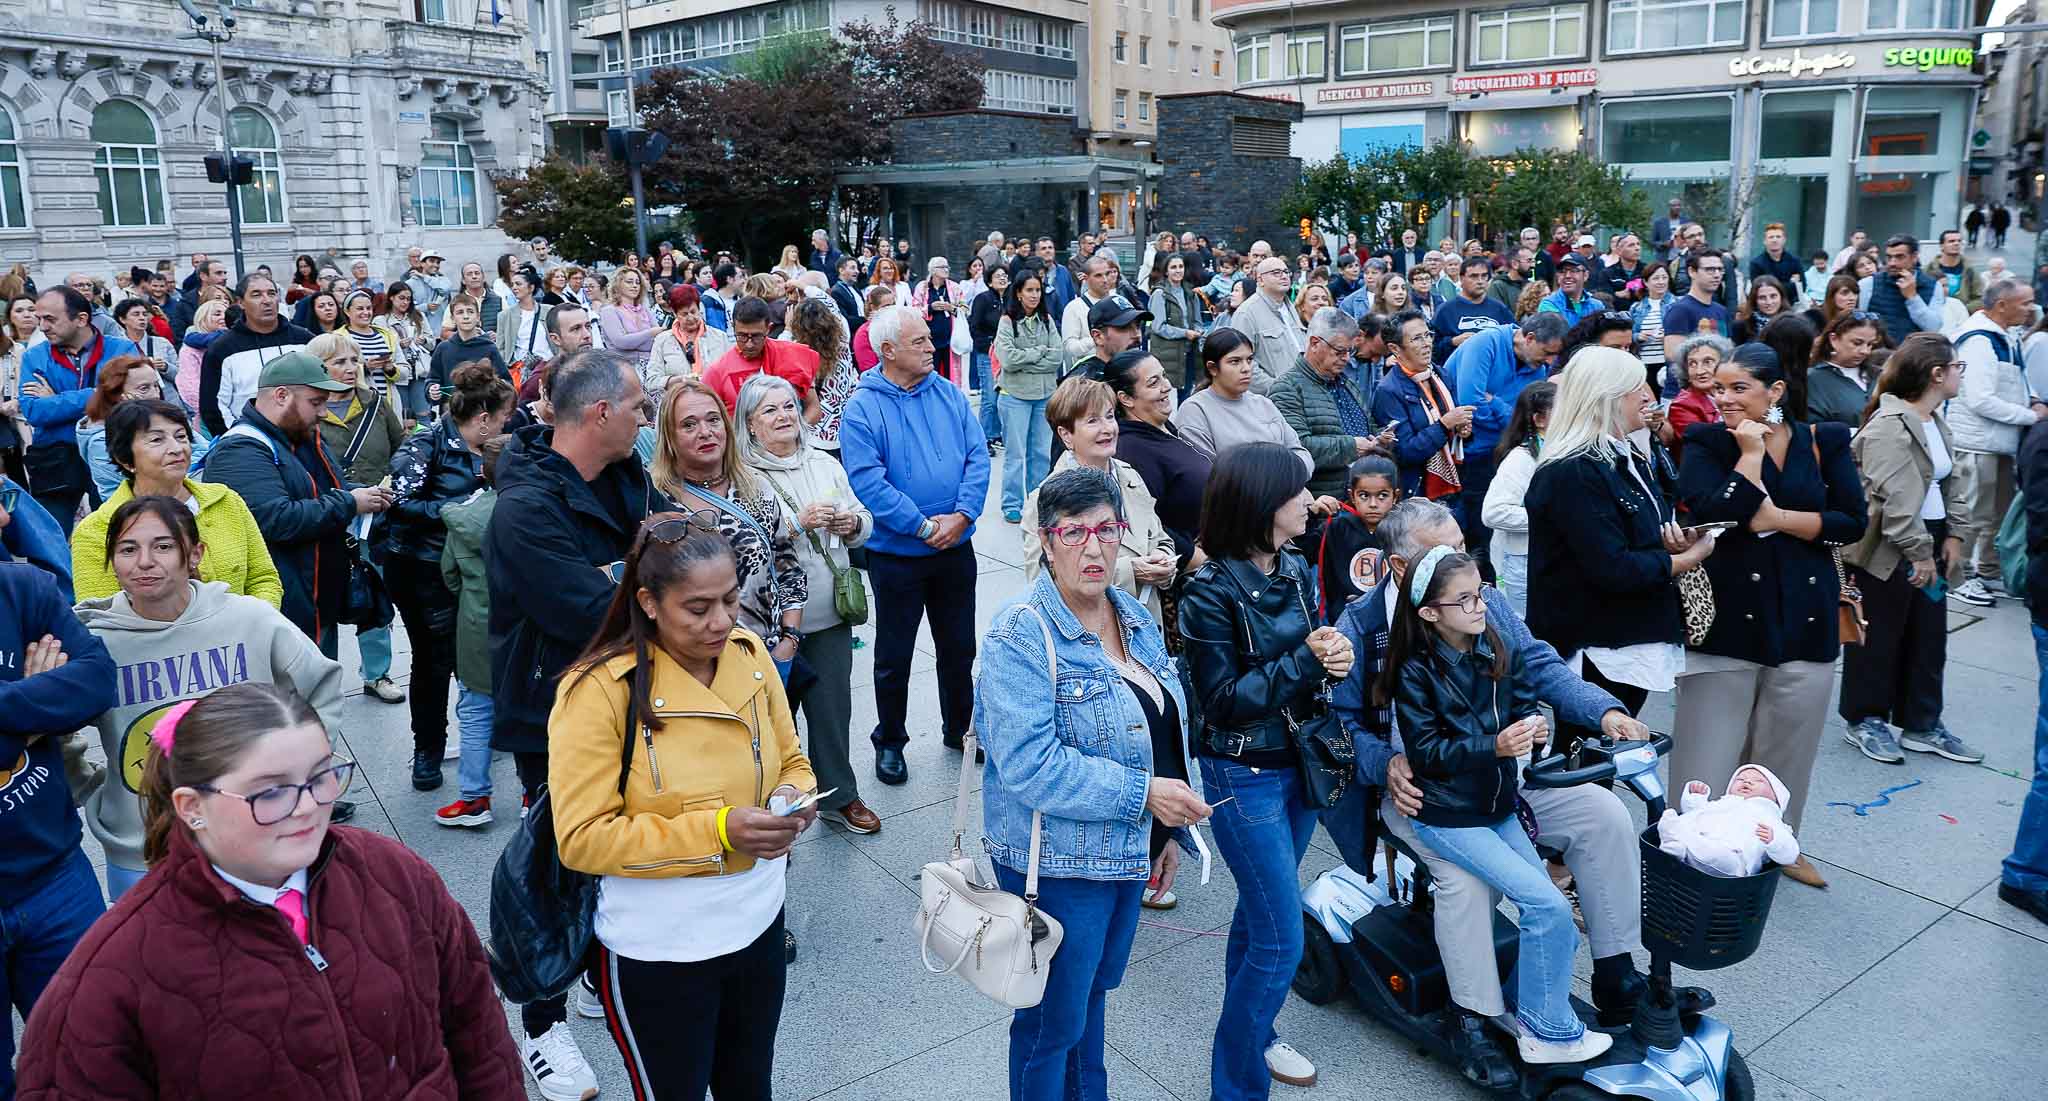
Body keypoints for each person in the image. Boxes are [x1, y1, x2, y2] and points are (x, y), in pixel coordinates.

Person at [18, 680, 525, 1097]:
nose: (307, 807)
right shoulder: (115, 969)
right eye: (272, 791)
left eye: (321, 776)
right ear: (192, 806)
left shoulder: (394, 873)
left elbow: (478, 1032)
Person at [545, 512, 814, 1101]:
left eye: (731, 600)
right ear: (647, 602)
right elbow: (583, 838)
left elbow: (792, 757)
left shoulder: (749, 653)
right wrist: (719, 830)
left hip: (758, 924)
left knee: (751, 1087)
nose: (721, 621)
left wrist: (794, 799)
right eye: (698, 608)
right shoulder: (598, 691)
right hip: (659, 948)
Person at [978, 467, 1208, 1099]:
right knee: (1051, 1023)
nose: (1094, 547)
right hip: (1057, 863)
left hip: (1127, 851)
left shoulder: (1131, 612)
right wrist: (1145, 797)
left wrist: (1165, 836)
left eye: (1107, 530)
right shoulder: (1019, 633)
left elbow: (1161, 728)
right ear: (1046, 543)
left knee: (1090, 1003)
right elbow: (1029, 765)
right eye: (1073, 532)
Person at [487, 349, 651, 1093]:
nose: (648, 415)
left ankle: (596, 967)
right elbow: (583, 608)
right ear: (599, 413)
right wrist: (638, 571)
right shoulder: (524, 506)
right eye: (640, 405)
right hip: (550, 709)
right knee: (553, 868)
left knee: (613, 848)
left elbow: (646, 574)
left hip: (627, 691)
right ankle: (542, 1023)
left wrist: (630, 572)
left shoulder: (625, 477)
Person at [1378, 544, 1612, 1064]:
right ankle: (1545, 1030)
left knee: (1545, 912)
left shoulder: (1496, 645)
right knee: (1547, 905)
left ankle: (1531, 1013)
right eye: (1465, 599)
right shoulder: (1415, 671)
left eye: (1481, 592)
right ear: (1429, 614)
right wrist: (1496, 746)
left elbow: (1526, 697)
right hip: (1448, 816)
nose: (1481, 605)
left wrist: (1536, 728)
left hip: (1497, 806)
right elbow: (1427, 753)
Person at [1178, 442, 1355, 1098]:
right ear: (1260, 503)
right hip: (1242, 772)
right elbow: (1221, 703)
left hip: (1299, 761)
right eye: (1297, 492)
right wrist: (1309, 661)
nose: (1309, 502)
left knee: (1260, 919)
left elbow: (1306, 653)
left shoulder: (1292, 566)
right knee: (1282, 939)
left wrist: (1331, 654)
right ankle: (1239, 1081)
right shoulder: (1208, 591)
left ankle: (1257, 1034)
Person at [75, 495, 344, 897]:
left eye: (163, 546)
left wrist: (300, 774)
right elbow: (51, 724)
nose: (144, 561)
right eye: (127, 549)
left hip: (258, 829)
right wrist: (92, 787)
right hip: (142, 850)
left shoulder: (249, 618)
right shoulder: (93, 642)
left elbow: (320, 684)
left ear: (195, 552)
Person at [1673, 341, 1864, 889]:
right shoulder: (1707, 441)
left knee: (1788, 751)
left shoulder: (1823, 440)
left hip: (1807, 619)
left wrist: (1777, 516)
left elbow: (1851, 519)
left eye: (1739, 388)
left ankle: (1779, 844)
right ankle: (1694, 849)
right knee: (1704, 757)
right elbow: (1715, 511)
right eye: (1718, 389)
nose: (1724, 398)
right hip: (1727, 622)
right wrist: (1750, 456)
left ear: (1775, 391)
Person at [1526, 347, 1713, 746]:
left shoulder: (1626, 455)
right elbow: (1612, 567)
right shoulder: (1573, 470)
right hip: (1600, 642)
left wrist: (1674, 541)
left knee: (1607, 762)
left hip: (1628, 634)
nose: (1647, 396)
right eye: (1635, 389)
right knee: (1587, 766)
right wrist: (1685, 559)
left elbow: (1635, 536)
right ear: (1607, 397)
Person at [840, 306, 987, 785]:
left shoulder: (947, 393)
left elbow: (977, 456)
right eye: (920, 341)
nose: (931, 347)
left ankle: (959, 729)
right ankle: (890, 741)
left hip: (955, 548)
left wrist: (962, 515)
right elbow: (868, 481)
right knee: (893, 657)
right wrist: (923, 527)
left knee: (959, 647)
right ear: (888, 352)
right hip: (897, 554)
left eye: (929, 339)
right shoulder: (863, 406)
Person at [738, 374, 877, 834]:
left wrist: (851, 523)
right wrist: (795, 524)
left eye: (789, 407)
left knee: (833, 708)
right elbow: (741, 546)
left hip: (828, 607)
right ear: (751, 425)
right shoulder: (742, 475)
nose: (784, 417)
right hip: (768, 619)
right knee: (771, 718)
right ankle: (774, 812)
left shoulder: (823, 462)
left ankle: (840, 795)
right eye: (770, 411)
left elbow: (863, 519)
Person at [0, 556, 117, 1099]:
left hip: (57, 881)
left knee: (94, 1054)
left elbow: (96, 680)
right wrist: (30, 709)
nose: (3, 515)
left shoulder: (19, 587)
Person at [1839, 333, 1975, 772]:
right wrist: (1920, 554)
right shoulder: (1890, 426)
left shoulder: (1936, 420)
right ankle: (1865, 718)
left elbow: (1952, 482)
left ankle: (1922, 722)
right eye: (1958, 367)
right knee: (1877, 635)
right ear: (1937, 374)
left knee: (1929, 634)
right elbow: (1896, 503)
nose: (1960, 374)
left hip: (1929, 540)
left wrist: (1954, 536)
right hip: (1891, 548)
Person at [200, 351, 388, 654]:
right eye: (316, 402)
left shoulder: (300, 434)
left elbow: (322, 489)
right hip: (286, 610)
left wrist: (362, 494)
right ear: (281, 395)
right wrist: (350, 503)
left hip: (315, 600)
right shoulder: (241, 450)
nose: (324, 413)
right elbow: (276, 519)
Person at [386, 360, 513, 797]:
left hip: (476, 571)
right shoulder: (425, 446)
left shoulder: (494, 451)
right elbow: (398, 503)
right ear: (481, 419)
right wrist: (457, 511)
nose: (504, 425)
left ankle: (482, 732)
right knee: (433, 660)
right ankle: (428, 749)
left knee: (475, 656)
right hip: (422, 568)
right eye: (500, 419)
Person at [649, 378, 808, 674]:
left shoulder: (754, 487)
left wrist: (789, 640)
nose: (705, 432)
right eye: (689, 425)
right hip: (695, 668)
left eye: (713, 420)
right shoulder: (657, 501)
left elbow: (788, 567)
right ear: (669, 437)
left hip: (766, 658)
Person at [70, 398, 275, 605]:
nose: (176, 448)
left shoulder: (225, 501)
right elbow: (99, 614)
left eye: (181, 436)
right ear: (125, 458)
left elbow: (263, 578)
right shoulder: (97, 530)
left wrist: (253, 626)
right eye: (157, 440)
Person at [1022, 377, 1179, 628]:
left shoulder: (1130, 476)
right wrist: (1131, 572)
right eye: (1092, 421)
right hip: (1091, 636)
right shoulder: (1044, 500)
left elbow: (1159, 537)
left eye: (1109, 416)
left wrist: (1163, 559)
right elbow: (1042, 581)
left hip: (1145, 628)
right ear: (1066, 435)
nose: (1108, 428)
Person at [1947, 280, 2045, 605]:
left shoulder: (2008, 334)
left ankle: (1988, 571)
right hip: (1976, 444)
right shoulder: (1978, 340)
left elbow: (2017, 378)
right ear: (2002, 305)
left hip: (2000, 443)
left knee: (1996, 515)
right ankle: (1957, 577)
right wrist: (2031, 417)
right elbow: (1979, 399)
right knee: (1971, 515)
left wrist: (2032, 399)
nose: (2031, 308)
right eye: (2025, 302)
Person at [1447, 314, 1567, 565]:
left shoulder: (1538, 367)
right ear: (1529, 338)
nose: (1549, 362)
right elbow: (1471, 404)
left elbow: (1527, 416)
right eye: (1547, 353)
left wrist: (1496, 405)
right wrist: (1509, 414)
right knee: (1480, 527)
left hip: (1505, 449)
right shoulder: (1485, 344)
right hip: (1471, 452)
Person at [20, 286, 142, 530]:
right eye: (39, 318)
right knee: (49, 538)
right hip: (54, 458)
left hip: (111, 452)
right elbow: (34, 411)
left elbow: (133, 400)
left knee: (119, 530)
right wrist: (103, 394)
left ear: (81, 319)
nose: (42, 326)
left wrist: (57, 398)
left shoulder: (122, 349)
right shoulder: (34, 356)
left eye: (50, 319)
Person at [1109, 349, 1214, 584]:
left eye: (1164, 376)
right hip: (1192, 577)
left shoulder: (1162, 427)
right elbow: (1146, 521)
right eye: (1153, 382)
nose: (1166, 386)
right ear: (1126, 398)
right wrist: (1194, 557)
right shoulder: (1132, 449)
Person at [1271, 307, 1381, 503]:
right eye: (1340, 351)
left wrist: (1378, 439)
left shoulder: (1346, 383)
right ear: (1315, 343)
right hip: (1322, 505)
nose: (1347, 358)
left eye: (1350, 351)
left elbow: (1367, 425)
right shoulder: (1287, 388)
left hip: (1359, 498)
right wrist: (1352, 446)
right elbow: (1296, 449)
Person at [1173, 327, 1311, 471]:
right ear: (1213, 368)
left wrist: (1291, 479)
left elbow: (1301, 454)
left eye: (1249, 359)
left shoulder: (1264, 404)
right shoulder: (1195, 411)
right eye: (1235, 361)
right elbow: (1208, 475)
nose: (1246, 368)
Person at [1374, 310, 1474, 503]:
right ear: (1395, 348)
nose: (1427, 343)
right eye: (1417, 339)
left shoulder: (1440, 374)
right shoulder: (1388, 391)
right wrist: (1444, 425)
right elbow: (1403, 453)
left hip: (1455, 483)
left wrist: (1464, 431)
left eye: (1428, 335)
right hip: (1417, 491)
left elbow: (1456, 427)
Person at [198, 273, 313, 439]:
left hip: (304, 438)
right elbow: (213, 407)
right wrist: (239, 439)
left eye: (271, 293)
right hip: (250, 444)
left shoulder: (304, 340)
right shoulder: (222, 349)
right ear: (240, 302)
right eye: (256, 295)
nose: (266, 300)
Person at [994, 269, 1065, 522]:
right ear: (1019, 293)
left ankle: (1037, 501)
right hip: (1014, 395)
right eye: (1029, 290)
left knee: (1041, 453)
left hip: (1044, 394)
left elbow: (1057, 357)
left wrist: (1032, 358)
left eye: (1038, 290)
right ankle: (1011, 504)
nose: (1035, 295)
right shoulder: (1007, 321)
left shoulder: (1047, 319)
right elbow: (1008, 360)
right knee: (1015, 454)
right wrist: (1038, 352)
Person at [1480, 382, 1555, 618]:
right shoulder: (1521, 460)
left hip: (1546, 559)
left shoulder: (1554, 452)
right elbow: (1493, 512)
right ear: (1539, 420)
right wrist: (1552, 518)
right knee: (1527, 633)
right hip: (1521, 564)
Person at [1657, 765, 1800, 877]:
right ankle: (1676, 846)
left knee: (1715, 854)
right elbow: (1695, 813)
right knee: (1684, 824)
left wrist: (1775, 841)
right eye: (1740, 779)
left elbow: (1790, 854)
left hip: (1733, 859)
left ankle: (1676, 842)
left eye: (1759, 781)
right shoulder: (1721, 803)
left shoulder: (1770, 817)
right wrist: (1695, 798)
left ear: (1776, 797)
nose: (1747, 781)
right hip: (1699, 840)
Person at [703, 296, 820, 418]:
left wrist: (795, 433)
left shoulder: (791, 355)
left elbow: (813, 407)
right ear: (733, 327)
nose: (749, 344)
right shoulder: (717, 371)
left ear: (768, 328)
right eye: (742, 336)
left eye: (756, 336)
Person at [74, 354, 168, 501]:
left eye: (156, 386)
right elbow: (139, 484)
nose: (155, 395)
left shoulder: (164, 418)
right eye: (144, 388)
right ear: (116, 395)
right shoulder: (100, 441)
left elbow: (202, 451)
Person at [1317, 454, 1398, 621]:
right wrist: (1312, 513)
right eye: (1364, 496)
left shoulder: (1403, 529)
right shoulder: (1335, 528)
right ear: (1352, 496)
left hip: (1392, 618)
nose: (1373, 504)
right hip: (1345, 618)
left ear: (1395, 496)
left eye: (1383, 495)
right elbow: (1301, 548)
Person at [1232, 256, 1306, 395]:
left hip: (1301, 393)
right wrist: (1277, 388)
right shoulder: (1246, 313)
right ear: (1260, 280)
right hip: (1272, 399)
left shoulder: (1290, 307)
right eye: (1276, 273)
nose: (1284, 276)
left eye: (1286, 271)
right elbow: (1242, 362)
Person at [1806, 311, 1886, 428]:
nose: (1865, 351)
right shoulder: (1813, 379)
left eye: (1870, 344)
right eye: (1857, 343)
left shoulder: (1880, 374)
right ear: (1834, 339)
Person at [1858, 234, 1945, 341]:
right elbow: (1859, 325)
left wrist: (1912, 297)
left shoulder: (1933, 286)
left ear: (1914, 257)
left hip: (1914, 354)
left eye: (1899, 257)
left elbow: (1933, 328)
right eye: (1889, 257)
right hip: (1877, 354)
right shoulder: (1868, 284)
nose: (1892, 263)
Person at [646, 282, 731, 391]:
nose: (690, 318)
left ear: (699, 308)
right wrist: (681, 380)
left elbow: (729, 373)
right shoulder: (662, 340)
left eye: (693, 312)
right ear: (674, 314)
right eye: (684, 314)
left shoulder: (720, 337)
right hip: (678, 402)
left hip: (714, 399)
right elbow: (651, 382)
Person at [1431, 256, 1514, 368]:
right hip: (1457, 374)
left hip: (1494, 373)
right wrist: (1452, 342)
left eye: (1484, 276)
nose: (1480, 281)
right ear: (1461, 278)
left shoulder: (1499, 308)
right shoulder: (1445, 311)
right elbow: (1431, 350)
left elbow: (1515, 340)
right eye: (1474, 276)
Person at [1663, 334, 1731, 460]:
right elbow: (1712, 444)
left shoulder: (1730, 394)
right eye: (1692, 364)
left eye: (1708, 362)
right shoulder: (1682, 405)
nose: (1699, 371)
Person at [1660, 251, 1731, 366]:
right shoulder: (1680, 310)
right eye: (1710, 269)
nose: (1717, 275)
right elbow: (1673, 355)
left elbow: (1728, 352)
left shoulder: (1722, 311)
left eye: (1720, 269)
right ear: (1692, 272)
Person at [966, 264, 1010, 446]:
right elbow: (974, 326)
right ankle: (984, 438)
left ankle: (996, 433)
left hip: (1006, 353)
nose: (1002, 278)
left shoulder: (1010, 299)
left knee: (1002, 396)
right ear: (989, 281)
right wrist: (987, 344)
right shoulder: (982, 299)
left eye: (1005, 275)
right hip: (987, 353)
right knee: (989, 398)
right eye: (998, 275)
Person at [1148, 254, 1203, 395]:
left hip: (1189, 352)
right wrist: (1185, 333)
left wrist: (1198, 331)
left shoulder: (1191, 293)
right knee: (1166, 396)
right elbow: (1158, 327)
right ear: (1166, 271)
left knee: (1187, 394)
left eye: (1181, 266)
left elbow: (1197, 321)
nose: (1178, 270)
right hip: (1167, 355)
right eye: (1173, 267)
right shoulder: (1160, 294)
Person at [600, 268, 659, 375]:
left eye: (638, 282)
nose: (635, 286)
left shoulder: (645, 309)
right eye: (629, 282)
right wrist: (651, 333)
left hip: (652, 367)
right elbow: (621, 342)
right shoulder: (609, 311)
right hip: (623, 370)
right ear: (618, 285)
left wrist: (632, 341)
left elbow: (658, 341)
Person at [1926, 229, 1984, 312]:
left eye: (1959, 241)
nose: (1956, 243)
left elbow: (1979, 298)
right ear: (1942, 245)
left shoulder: (1970, 270)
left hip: (1962, 318)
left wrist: (1961, 310)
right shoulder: (1929, 269)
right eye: (1951, 241)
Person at [1535, 254, 1600, 326]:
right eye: (1562, 271)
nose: (1567, 276)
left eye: (1574, 271)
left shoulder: (1597, 306)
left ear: (1585, 275)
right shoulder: (1549, 304)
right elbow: (1556, 335)